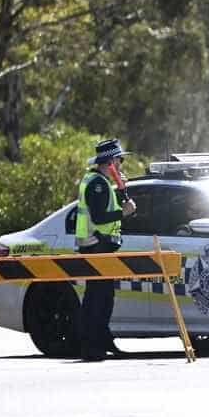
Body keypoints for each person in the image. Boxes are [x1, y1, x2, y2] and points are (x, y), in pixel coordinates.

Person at [75, 138, 136, 361]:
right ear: (110, 161)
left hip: (101, 246)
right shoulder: (97, 184)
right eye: (119, 160)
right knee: (97, 298)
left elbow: (108, 209)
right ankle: (91, 346)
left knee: (104, 296)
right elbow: (100, 217)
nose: (121, 165)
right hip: (95, 246)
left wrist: (122, 193)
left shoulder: (102, 183)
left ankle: (102, 341)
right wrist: (124, 212)